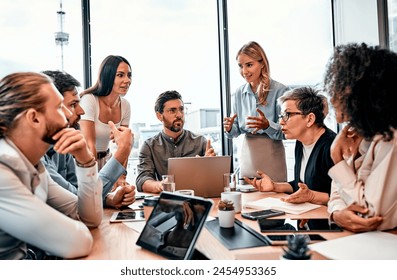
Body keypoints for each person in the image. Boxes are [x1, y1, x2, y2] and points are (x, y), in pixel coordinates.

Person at [0, 72, 102, 260]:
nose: (70, 115)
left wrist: (85, 161)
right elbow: (77, 242)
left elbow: (90, 218)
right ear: (34, 118)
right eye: (59, 107)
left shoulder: (35, 166)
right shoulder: (3, 173)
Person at [324, 42, 397, 232]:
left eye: (340, 88)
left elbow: (371, 215)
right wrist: (337, 213)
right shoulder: (360, 132)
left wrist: (338, 159)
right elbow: (338, 194)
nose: (332, 98)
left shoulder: (391, 137)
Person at [40, 70, 135, 209]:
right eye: (73, 104)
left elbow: (81, 192)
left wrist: (108, 199)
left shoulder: (63, 144)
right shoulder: (37, 161)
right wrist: (123, 151)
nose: (81, 111)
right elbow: (81, 202)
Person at [245, 87, 336, 206]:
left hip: (327, 222)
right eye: (281, 116)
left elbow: (345, 197)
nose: (281, 122)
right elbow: (299, 185)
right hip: (305, 219)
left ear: (310, 119)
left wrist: (311, 196)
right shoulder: (300, 142)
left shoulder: (333, 146)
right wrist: (274, 186)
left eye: (287, 115)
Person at [223, 41, 289, 182]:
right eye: (240, 66)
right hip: (248, 157)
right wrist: (229, 128)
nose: (244, 71)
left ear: (262, 64)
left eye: (249, 65)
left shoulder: (280, 91)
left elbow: (286, 132)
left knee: (274, 201)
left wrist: (267, 125)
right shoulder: (239, 93)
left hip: (272, 157)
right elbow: (236, 131)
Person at [136, 90, 216, 193]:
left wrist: (210, 165)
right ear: (159, 116)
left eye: (181, 110)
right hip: (167, 203)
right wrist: (160, 185)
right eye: (172, 110)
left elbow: (214, 180)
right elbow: (142, 180)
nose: (179, 115)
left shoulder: (200, 142)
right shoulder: (149, 146)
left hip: (196, 200)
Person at [79, 55, 132, 170]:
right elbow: (89, 144)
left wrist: (121, 175)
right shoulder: (89, 100)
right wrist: (93, 177)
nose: (127, 80)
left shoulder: (125, 106)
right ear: (107, 76)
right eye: (120, 75)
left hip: (107, 161)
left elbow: (123, 146)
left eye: (129, 75)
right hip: (86, 162)